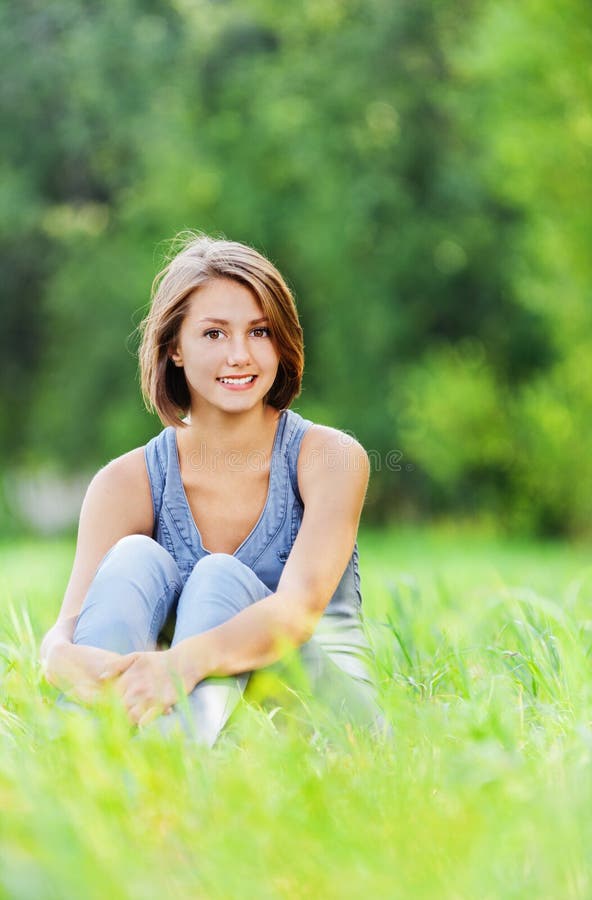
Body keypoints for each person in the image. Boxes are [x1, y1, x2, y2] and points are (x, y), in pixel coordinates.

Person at [40, 233, 383, 745]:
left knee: (218, 576)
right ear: (174, 348)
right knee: (133, 556)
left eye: (260, 331)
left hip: (325, 724)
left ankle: (167, 762)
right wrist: (59, 657)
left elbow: (296, 613)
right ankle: (90, 761)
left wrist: (176, 666)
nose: (240, 355)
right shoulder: (124, 483)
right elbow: (69, 626)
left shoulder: (330, 458)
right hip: (206, 719)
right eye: (215, 334)